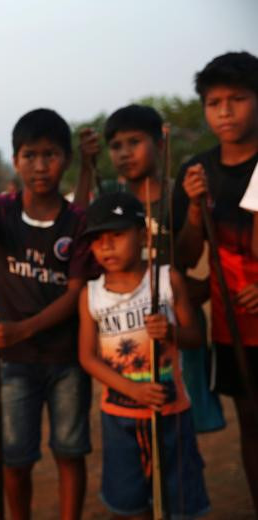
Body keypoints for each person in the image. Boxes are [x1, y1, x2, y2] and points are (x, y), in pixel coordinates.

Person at [0, 108, 93, 520]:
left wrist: (22, 330)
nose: (40, 165)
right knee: (16, 460)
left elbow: (75, 295)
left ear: (66, 160)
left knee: (70, 453)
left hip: (67, 357)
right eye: (30, 155)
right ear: (15, 160)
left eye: (50, 154)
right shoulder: (1, 209)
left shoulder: (77, 220)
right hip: (15, 364)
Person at [81, 104, 225, 433]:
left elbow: (188, 256)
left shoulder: (178, 192)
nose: (124, 153)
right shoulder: (110, 197)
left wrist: (192, 207)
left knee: (182, 417)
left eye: (134, 142)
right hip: (126, 324)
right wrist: (88, 166)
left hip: (176, 320)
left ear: (160, 144)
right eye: (116, 146)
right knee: (137, 414)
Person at [78, 191, 210, 518]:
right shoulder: (91, 295)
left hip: (173, 412)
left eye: (117, 235)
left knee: (180, 502)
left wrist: (171, 332)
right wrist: (133, 389)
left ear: (143, 234)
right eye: (97, 239)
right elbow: (87, 358)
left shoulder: (167, 281)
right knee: (129, 504)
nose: (106, 246)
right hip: (119, 416)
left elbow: (196, 338)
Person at [173, 50, 258, 510]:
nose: (224, 111)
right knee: (250, 422)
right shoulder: (196, 172)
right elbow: (186, 258)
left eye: (238, 98)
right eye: (213, 101)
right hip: (234, 329)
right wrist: (191, 208)